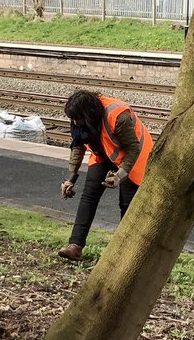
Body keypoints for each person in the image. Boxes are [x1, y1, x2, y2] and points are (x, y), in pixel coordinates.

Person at [57, 89, 153, 262]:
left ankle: (125, 253)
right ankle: (75, 246)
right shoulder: (79, 120)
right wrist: (70, 179)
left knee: (127, 203)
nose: (74, 122)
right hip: (104, 153)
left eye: (77, 119)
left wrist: (120, 176)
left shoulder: (117, 115)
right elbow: (78, 145)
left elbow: (133, 149)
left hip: (134, 157)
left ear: (87, 115)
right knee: (89, 195)